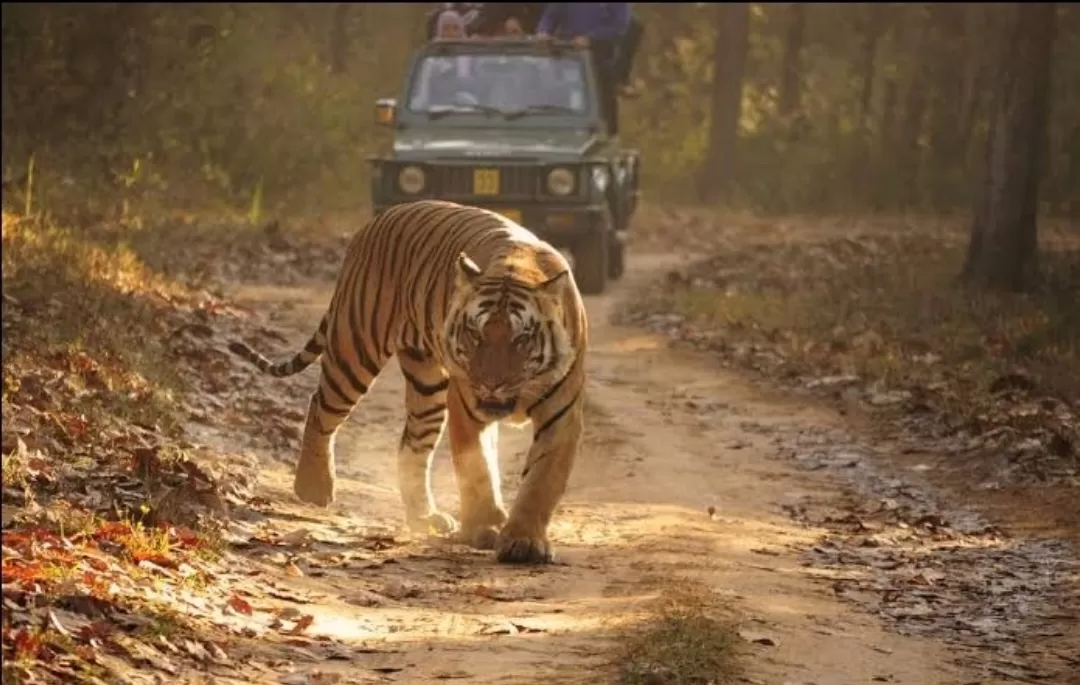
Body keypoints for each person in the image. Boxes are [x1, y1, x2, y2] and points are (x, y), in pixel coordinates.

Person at [535, 3, 630, 135]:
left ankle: (607, 141)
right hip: (568, 59)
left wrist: (591, 38)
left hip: (600, 62)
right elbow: (550, 16)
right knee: (564, 106)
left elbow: (619, 27)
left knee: (603, 110)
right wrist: (543, 31)